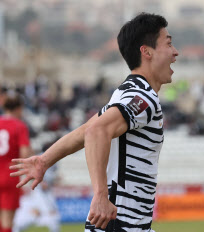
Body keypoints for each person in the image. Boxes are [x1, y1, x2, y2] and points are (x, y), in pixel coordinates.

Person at [10, 12, 178, 232]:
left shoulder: (124, 93)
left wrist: (44, 161)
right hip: (122, 225)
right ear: (146, 52)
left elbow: (87, 130)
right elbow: (95, 131)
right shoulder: (142, 98)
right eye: (168, 44)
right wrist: (100, 195)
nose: (175, 52)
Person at [0, 93, 31, 232]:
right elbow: (24, 153)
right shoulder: (19, 126)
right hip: (9, 176)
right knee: (7, 221)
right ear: (19, 108)